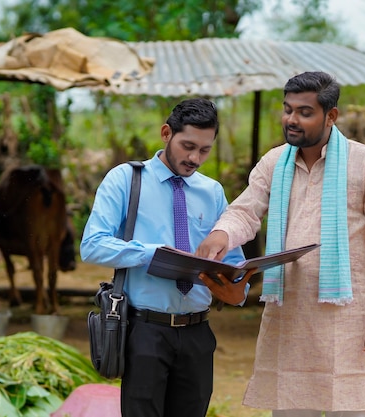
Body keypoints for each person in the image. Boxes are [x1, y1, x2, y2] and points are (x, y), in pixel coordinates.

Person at [195, 71, 365, 417]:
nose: (291, 119)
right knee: (290, 407)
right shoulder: (274, 162)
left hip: (349, 318)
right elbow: (246, 212)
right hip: (289, 314)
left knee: (349, 407)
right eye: (287, 109)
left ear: (331, 116)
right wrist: (222, 234)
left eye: (304, 112)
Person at [80, 97, 248, 417]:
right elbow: (92, 245)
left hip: (198, 333)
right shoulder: (126, 179)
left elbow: (233, 259)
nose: (195, 158)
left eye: (205, 150)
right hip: (145, 331)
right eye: (188, 146)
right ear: (166, 133)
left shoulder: (212, 191)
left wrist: (237, 286)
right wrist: (150, 254)